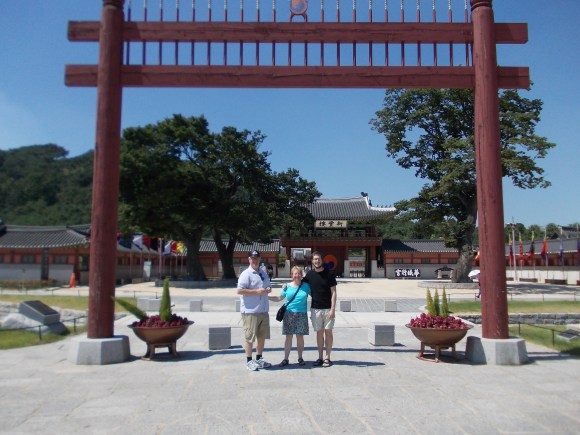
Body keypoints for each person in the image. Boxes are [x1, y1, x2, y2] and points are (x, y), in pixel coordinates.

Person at [237, 250, 273, 371]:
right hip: (250, 311)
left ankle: (259, 358)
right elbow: (240, 290)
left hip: (263, 310)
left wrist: (268, 289)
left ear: (260, 259)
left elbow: (268, 285)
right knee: (249, 337)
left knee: (261, 336)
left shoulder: (263, 272)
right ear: (249, 260)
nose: (255, 260)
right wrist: (256, 292)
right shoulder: (246, 274)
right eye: (253, 258)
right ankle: (249, 360)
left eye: (257, 258)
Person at [269, 266, 311, 367]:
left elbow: (316, 295)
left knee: (300, 337)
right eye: (295, 274)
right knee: (288, 337)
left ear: (302, 275)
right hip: (289, 314)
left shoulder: (306, 286)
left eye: (299, 273)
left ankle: (300, 357)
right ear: (292, 275)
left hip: (301, 314)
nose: (297, 275)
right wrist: (266, 297)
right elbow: (279, 298)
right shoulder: (287, 286)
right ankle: (286, 358)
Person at [306, 251, 337, 367]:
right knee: (319, 333)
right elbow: (300, 284)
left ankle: (327, 357)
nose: (317, 261)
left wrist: (333, 309)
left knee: (328, 332)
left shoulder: (329, 274)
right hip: (315, 309)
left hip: (328, 308)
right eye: (315, 259)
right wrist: (286, 286)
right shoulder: (309, 275)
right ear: (312, 261)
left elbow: (334, 292)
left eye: (318, 259)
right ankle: (320, 357)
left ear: (322, 260)